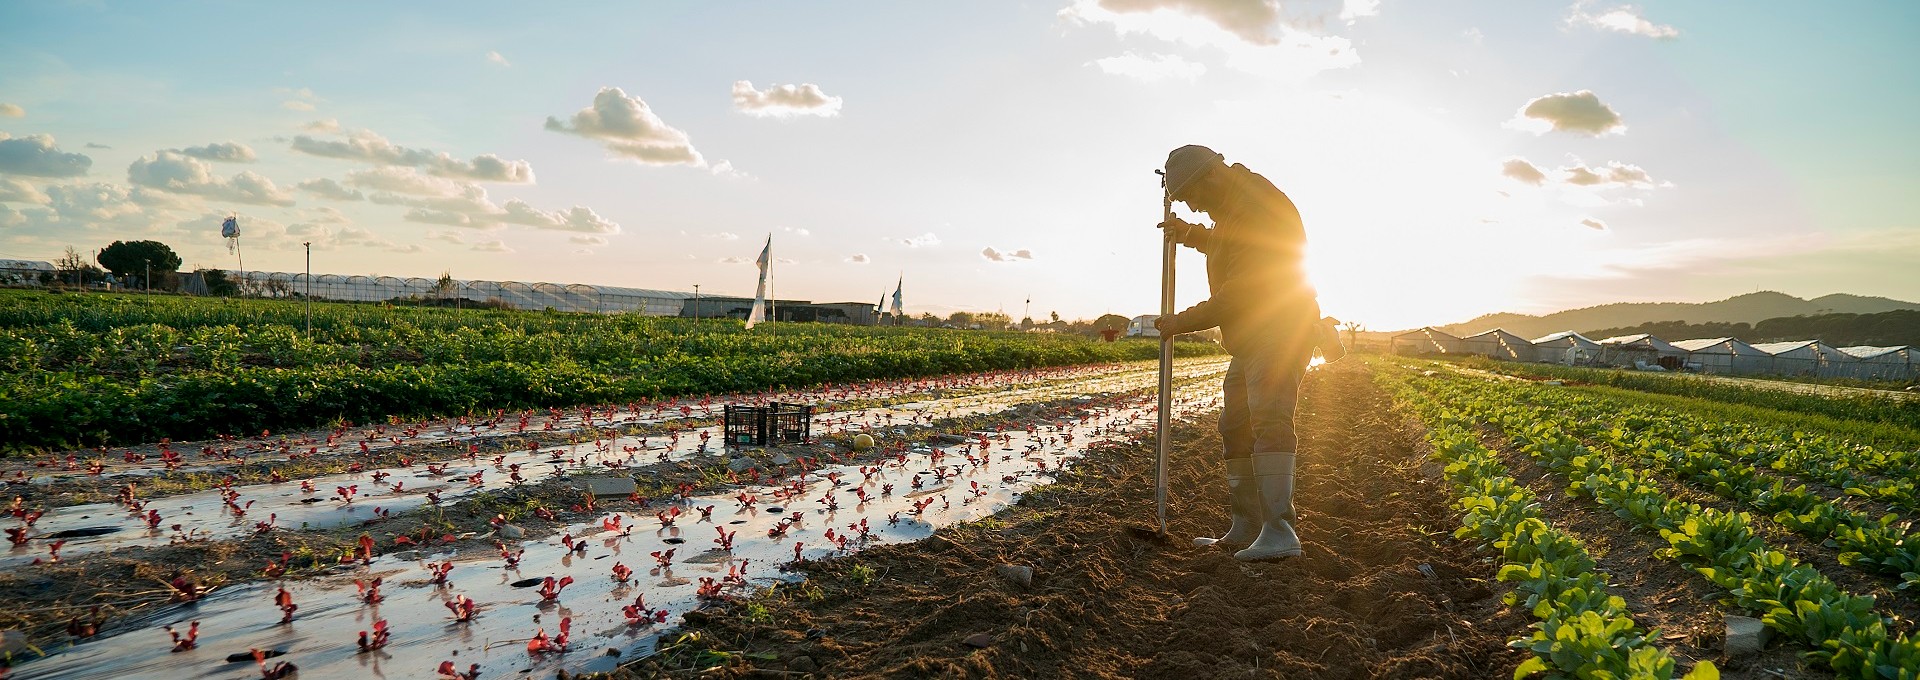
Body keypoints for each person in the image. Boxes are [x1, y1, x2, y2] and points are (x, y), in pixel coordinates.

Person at [1153, 144, 1338, 561]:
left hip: (1281, 329)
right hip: (1255, 336)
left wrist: (1180, 321)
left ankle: (1280, 530)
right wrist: (1190, 234)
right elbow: (1228, 240)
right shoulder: (1232, 204)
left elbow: (1241, 292)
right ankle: (1246, 526)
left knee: (1269, 416)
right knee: (1234, 423)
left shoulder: (1255, 202)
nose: (1195, 208)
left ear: (1211, 177)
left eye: (1194, 199)